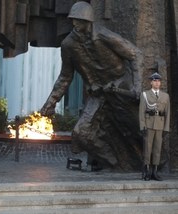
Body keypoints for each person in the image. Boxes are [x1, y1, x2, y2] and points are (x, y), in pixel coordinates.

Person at [40, 1, 144, 170]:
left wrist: (137, 86)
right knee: (82, 134)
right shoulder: (68, 45)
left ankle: (154, 162)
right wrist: (51, 102)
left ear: (88, 21)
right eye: (73, 20)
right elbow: (65, 76)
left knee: (138, 129)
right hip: (98, 93)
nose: (75, 24)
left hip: (120, 87)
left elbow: (135, 54)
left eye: (79, 20)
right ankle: (118, 165)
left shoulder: (104, 35)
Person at [139, 72, 170, 181]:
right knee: (147, 148)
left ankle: (155, 171)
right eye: (155, 81)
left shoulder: (165, 96)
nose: (157, 83)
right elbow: (141, 111)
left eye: (158, 81)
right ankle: (147, 170)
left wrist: (166, 128)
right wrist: (142, 126)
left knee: (157, 149)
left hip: (160, 125)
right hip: (149, 124)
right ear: (151, 82)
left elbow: (167, 113)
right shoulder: (145, 95)